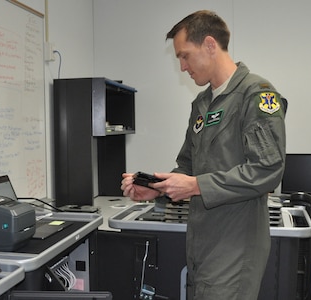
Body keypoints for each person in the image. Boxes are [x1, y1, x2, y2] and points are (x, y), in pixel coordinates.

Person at [121, 10, 286, 300]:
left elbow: (267, 169)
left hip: (236, 245)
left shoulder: (255, 95)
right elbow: (187, 166)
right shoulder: (202, 103)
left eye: (184, 56)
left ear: (210, 45)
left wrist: (195, 185)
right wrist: (156, 190)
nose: (182, 67)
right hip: (202, 244)